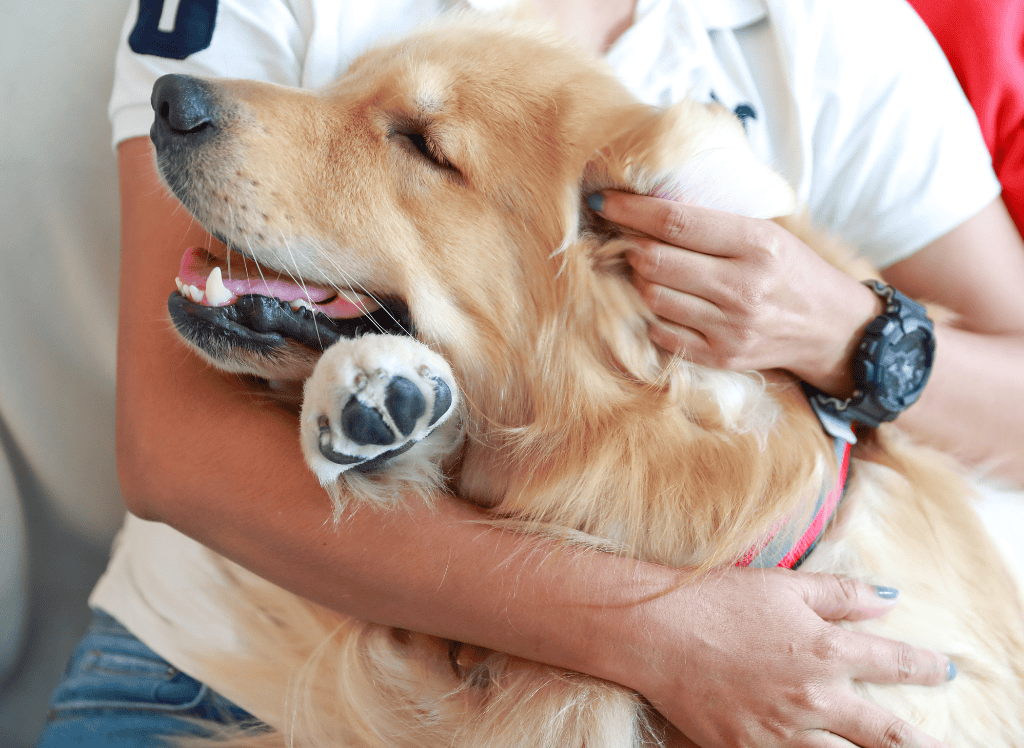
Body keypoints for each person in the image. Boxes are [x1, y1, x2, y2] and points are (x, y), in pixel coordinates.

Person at [37, 1, 1024, 747]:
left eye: (418, 141)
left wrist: (851, 331)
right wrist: (663, 634)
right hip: (214, 660)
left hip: (751, 657)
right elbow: (172, 452)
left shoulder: (828, 31)